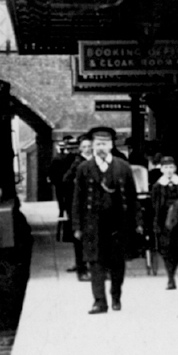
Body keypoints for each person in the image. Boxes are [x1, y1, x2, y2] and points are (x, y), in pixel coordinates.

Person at [71, 125, 141, 314]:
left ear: (111, 145)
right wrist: (77, 225)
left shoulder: (123, 166)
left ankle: (116, 296)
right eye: (98, 143)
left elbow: (133, 197)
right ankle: (99, 301)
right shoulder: (84, 168)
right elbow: (77, 198)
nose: (101, 147)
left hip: (119, 222)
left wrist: (138, 221)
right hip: (93, 223)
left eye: (105, 143)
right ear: (92, 146)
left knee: (118, 262)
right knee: (95, 262)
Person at [57, 135, 94, 280]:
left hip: (96, 205)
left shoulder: (98, 161)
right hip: (82, 204)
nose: (87, 149)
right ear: (80, 148)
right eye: (84, 147)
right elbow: (66, 180)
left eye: (89, 146)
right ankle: (82, 269)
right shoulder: (77, 163)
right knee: (80, 238)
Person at [149, 155, 178, 290]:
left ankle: (175, 271)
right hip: (164, 221)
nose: (169, 170)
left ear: (175, 168)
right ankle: (170, 276)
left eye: (171, 167)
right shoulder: (157, 186)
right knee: (165, 248)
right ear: (161, 169)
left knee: (177, 247)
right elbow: (154, 206)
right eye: (165, 167)